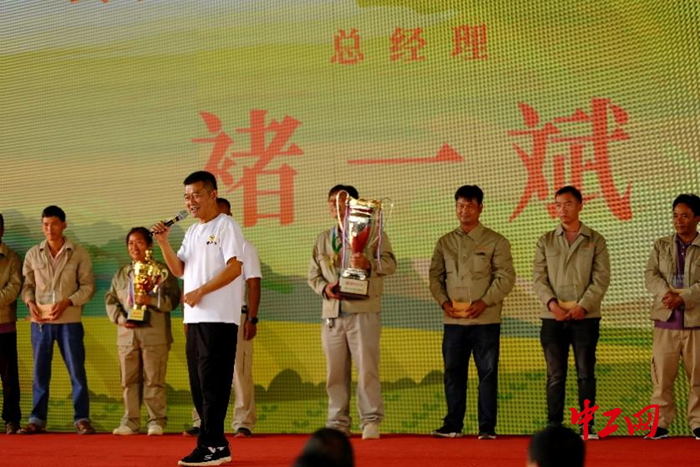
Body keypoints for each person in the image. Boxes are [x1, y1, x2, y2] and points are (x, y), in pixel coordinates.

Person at [152, 171, 244, 466]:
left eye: (196, 195)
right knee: (199, 385)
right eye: (186, 197)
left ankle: (210, 445)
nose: (190, 202)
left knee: (213, 384)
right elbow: (179, 270)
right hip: (194, 320)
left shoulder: (226, 225)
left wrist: (201, 291)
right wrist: (164, 243)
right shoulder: (192, 231)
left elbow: (235, 268)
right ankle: (217, 444)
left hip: (219, 319)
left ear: (213, 194)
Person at [307, 185, 397, 440]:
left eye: (341, 201)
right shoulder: (323, 239)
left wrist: (369, 263)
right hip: (333, 314)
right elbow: (313, 275)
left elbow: (390, 264)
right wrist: (326, 288)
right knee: (335, 373)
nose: (334, 205)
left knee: (367, 369)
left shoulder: (373, 233)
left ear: (353, 205)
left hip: (363, 311)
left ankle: (370, 421)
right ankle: (338, 423)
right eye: (331, 201)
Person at [429, 185, 515, 439]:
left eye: (469, 205)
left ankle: (486, 428)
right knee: (453, 373)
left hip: (485, 320)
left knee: (487, 374)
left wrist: (485, 302)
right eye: (460, 205)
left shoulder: (496, 241)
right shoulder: (445, 242)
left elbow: (505, 278)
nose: (464, 210)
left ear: (480, 208)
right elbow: (435, 277)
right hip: (453, 321)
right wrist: (444, 302)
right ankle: (453, 425)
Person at [533, 186, 610, 440]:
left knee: (585, 373)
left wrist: (583, 306)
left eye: (567, 204)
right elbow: (539, 279)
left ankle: (587, 426)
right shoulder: (545, 240)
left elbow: (601, 278)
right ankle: (554, 425)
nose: (562, 209)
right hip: (552, 318)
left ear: (580, 205)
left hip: (585, 318)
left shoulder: (595, 239)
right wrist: (553, 306)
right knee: (555, 375)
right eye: (557, 204)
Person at [186, 197, 262, 438]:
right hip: (202, 318)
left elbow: (253, 283)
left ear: (230, 216)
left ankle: (243, 422)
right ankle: (201, 420)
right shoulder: (197, 243)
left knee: (238, 370)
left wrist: (252, 318)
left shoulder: (244, 246)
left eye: (223, 214)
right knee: (202, 371)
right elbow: (189, 281)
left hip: (233, 317)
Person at [20, 205, 96, 435]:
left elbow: (88, 287)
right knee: (40, 373)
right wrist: (30, 303)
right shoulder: (33, 254)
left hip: (69, 321)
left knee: (76, 371)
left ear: (64, 225)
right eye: (45, 224)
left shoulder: (79, 253)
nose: (49, 229)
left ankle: (82, 419)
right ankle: (37, 420)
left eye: (54, 224)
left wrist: (67, 302)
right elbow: (27, 286)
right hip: (40, 323)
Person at [105, 227, 181, 436]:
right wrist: (121, 319)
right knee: (128, 380)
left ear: (149, 245)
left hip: (154, 334)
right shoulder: (122, 274)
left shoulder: (162, 271)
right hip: (127, 335)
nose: (134, 247)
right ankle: (130, 421)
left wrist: (150, 300)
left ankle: (156, 421)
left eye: (139, 242)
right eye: (130, 243)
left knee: (154, 379)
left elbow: (173, 300)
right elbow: (111, 300)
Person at [644, 193, 700, 440]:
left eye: (685, 216)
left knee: (698, 378)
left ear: (697, 218)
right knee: (661, 378)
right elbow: (651, 274)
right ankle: (660, 424)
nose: (678, 220)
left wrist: (684, 297)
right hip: (665, 321)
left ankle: (698, 423)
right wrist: (665, 293)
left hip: (696, 323)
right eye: (675, 215)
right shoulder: (661, 245)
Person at [0, 213, 22, 434]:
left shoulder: (12, 258)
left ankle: (11, 420)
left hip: (4, 326)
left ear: (1, 231)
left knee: (9, 379)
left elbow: (14, 288)